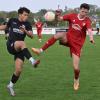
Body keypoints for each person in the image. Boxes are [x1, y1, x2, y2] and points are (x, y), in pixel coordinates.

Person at [32, 3, 95, 91]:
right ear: (80, 9)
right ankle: (40, 50)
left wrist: (91, 38)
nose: (83, 13)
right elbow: (59, 19)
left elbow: (89, 29)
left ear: (87, 12)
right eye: (82, 11)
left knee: (76, 68)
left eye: (85, 12)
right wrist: (57, 15)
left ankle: (76, 79)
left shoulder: (87, 20)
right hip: (68, 39)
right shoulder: (72, 16)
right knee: (59, 34)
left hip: (77, 45)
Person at [0, 7, 40, 96]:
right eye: (25, 15)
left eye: (27, 15)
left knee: (18, 70)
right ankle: (33, 61)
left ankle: (10, 86)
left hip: (20, 49)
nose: (26, 16)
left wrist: (25, 30)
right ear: (20, 14)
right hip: (11, 45)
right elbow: (5, 27)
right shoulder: (13, 20)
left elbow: (32, 36)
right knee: (22, 43)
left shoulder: (27, 24)